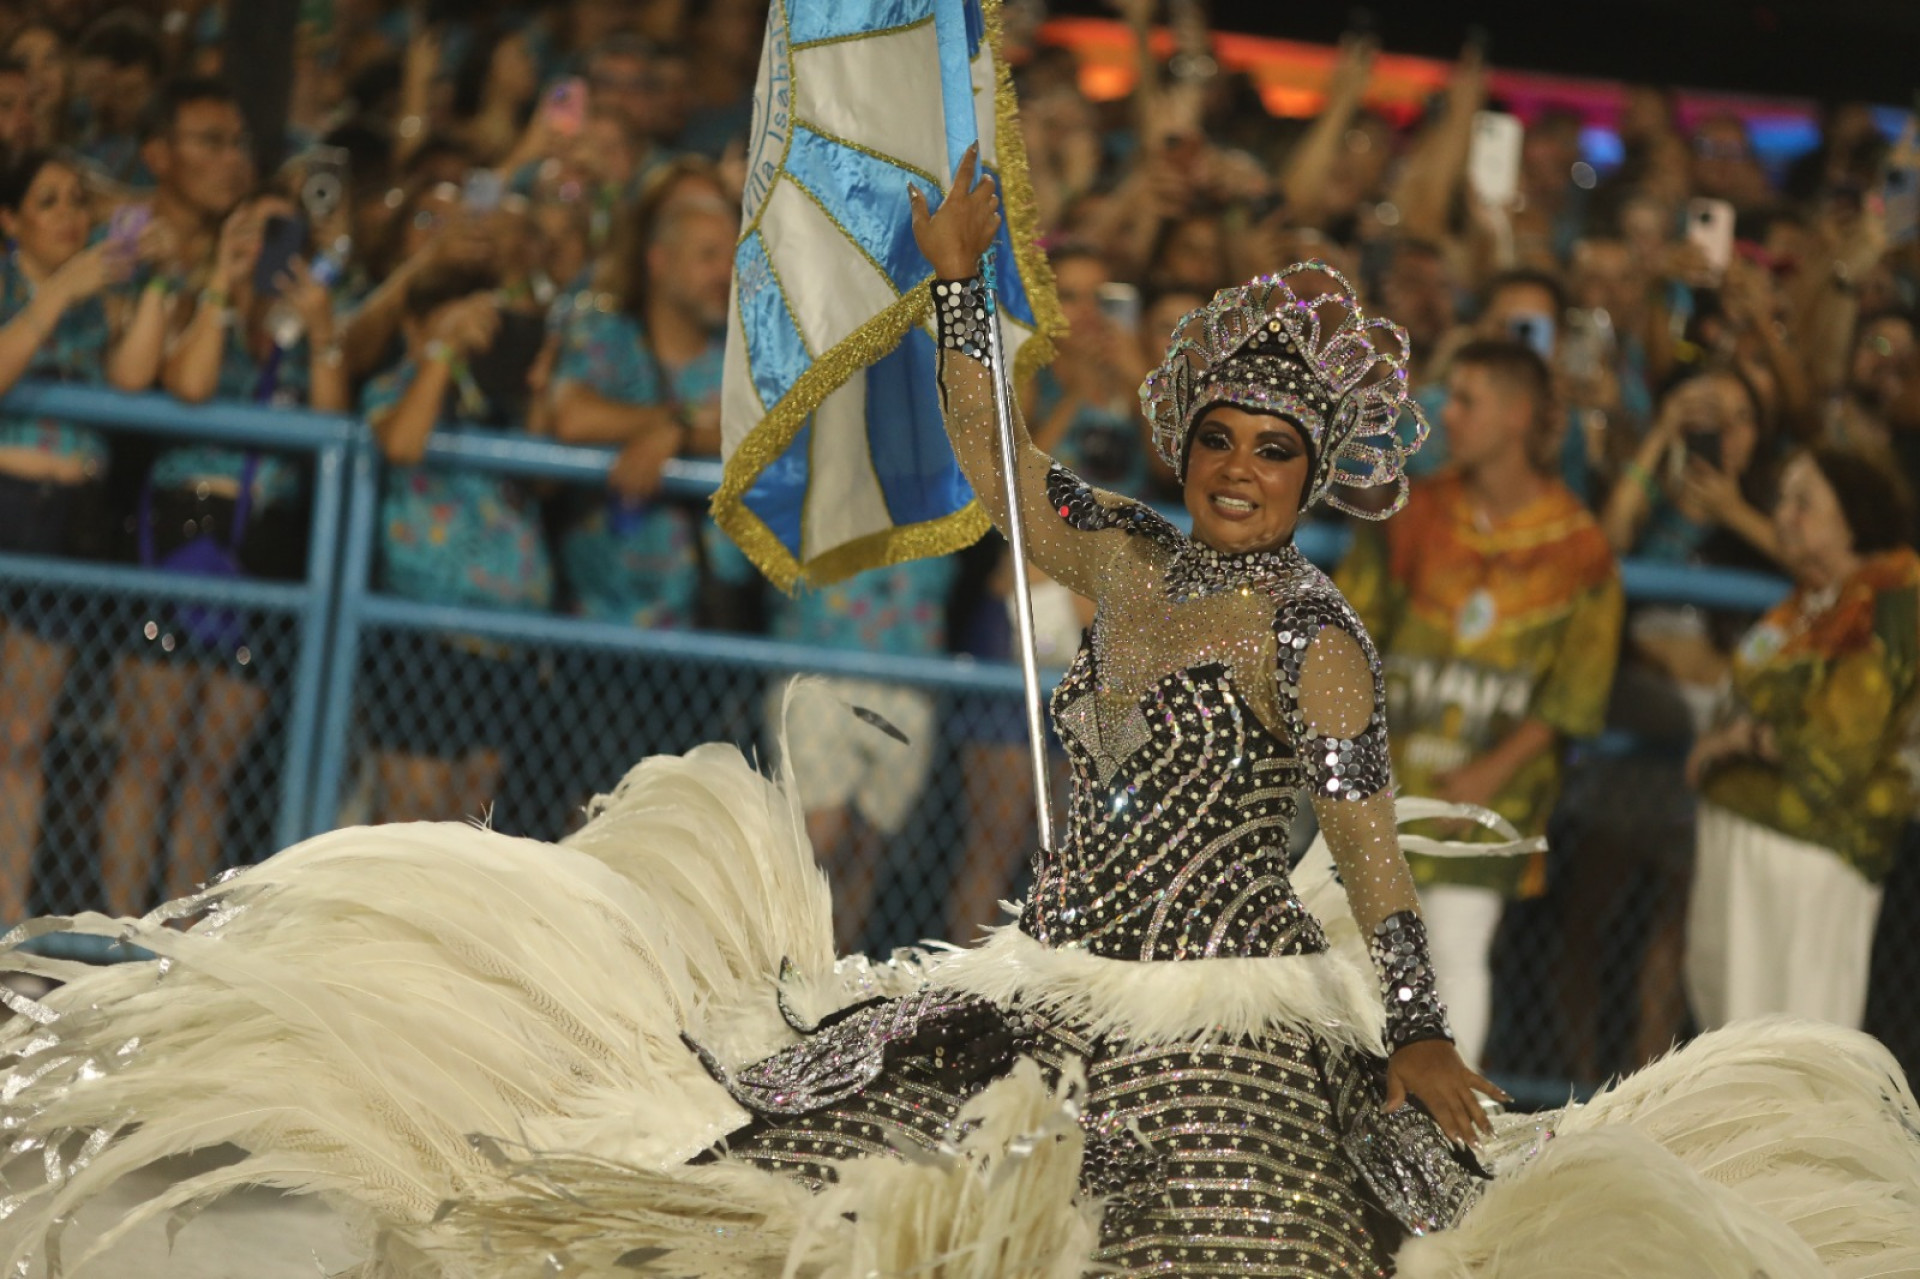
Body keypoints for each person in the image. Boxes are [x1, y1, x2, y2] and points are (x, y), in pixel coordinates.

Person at [0, 154, 1913, 1279]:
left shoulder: (1319, 630)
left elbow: (1371, 854)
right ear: (1194, 449)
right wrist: (954, 287)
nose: (1244, 472)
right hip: (1053, 962)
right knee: (807, 1164)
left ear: (1317, 475)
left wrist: (1414, 1032)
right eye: (1223, 443)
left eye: (1277, 451)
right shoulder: (1134, 558)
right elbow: (1004, 470)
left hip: (1232, 1014)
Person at [1338, 340, 1624, 1070]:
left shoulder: (1580, 547)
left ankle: (1443, 1126)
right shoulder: (1415, 511)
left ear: (1517, 414)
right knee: (1358, 951)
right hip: (1385, 777)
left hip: (1492, 799)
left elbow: (1575, 695)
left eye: (1466, 400)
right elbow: (1351, 625)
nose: (1448, 416)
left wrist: (1489, 776)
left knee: (1457, 949)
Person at [101, 190, 346, 917]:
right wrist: (221, 278)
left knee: (210, 767)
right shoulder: (189, 304)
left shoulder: (305, 325)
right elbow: (193, 382)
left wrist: (323, 328)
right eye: (253, 226)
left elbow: (333, 420)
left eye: (282, 231)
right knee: (148, 756)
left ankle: (180, 935)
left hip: (263, 548)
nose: (267, 244)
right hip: (182, 532)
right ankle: (115, 934)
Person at [1685, 446, 1920, 1031]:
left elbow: (1836, 749)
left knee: (1795, 1050)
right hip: (1747, 842)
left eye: (1804, 503)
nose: (1783, 516)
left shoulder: (1891, 597)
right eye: (1783, 500)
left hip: (1810, 856)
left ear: (1854, 520)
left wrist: (1740, 741)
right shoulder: (1805, 606)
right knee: (1732, 1042)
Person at [0, 148, 169, 924]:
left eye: (77, 200)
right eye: (48, 201)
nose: (70, 214)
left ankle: (8, 928)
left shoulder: (101, 295)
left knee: (24, 733)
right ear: (10, 220)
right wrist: (56, 293)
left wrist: (157, 282)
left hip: (65, 523)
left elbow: (135, 380)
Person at [359, 262, 553, 823]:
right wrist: (440, 351)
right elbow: (401, 441)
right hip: (425, 635)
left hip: (504, 642)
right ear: (415, 326)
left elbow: (544, 478)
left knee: (471, 824)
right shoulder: (398, 384)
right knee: (412, 814)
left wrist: (539, 374)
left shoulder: (500, 397)